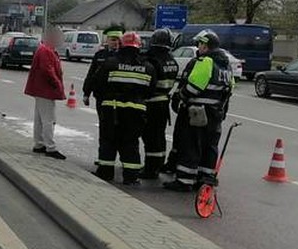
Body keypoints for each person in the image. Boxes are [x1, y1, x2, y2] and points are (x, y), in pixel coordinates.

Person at [164, 29, 234, 192]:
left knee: (191, 145)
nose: (198, 47)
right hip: (215, 113)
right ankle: (205, 180)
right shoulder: (225, 65)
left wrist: (180, 96)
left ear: (205, 45)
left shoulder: (205, 61)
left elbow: (194, 87)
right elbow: (228, 90)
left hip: (198, 112)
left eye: (200, 44)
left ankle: (184, 180)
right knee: (209, 146)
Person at [88, 31, 157, 185]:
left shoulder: (110, 63)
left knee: (108, 141)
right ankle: (131, 176)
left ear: (121, 45)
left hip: (111, 109)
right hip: (136, 112)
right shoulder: (148, 67)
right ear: (139, 46)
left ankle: (105, 172)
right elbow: (151, 91)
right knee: (131, 143)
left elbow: (98, 84)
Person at [141, 28, 181, 180]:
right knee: (159, 136)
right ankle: (158, 164)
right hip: (163, 103)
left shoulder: (150, 59)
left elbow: (147, 82)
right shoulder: (171, 60)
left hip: (150, 103)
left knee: (150, 137)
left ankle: (150, 169)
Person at [24, 27, 67, 160]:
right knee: (49, 119)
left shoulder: (45, 49)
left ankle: (39, 144)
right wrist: (57, 84)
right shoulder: (46, 51)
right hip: (46, 90)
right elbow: (47, 70)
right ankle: (50, 147)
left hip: (41, 89)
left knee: (40, 118)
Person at [83, 30, 122, 106]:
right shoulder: (100, 55)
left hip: (118, 96)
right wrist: (86, 93)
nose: (116, 42)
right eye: (113, 40)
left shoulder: (123, 56)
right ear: (107, 40)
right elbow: (91, 74)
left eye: (119, 40)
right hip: (101, 94)